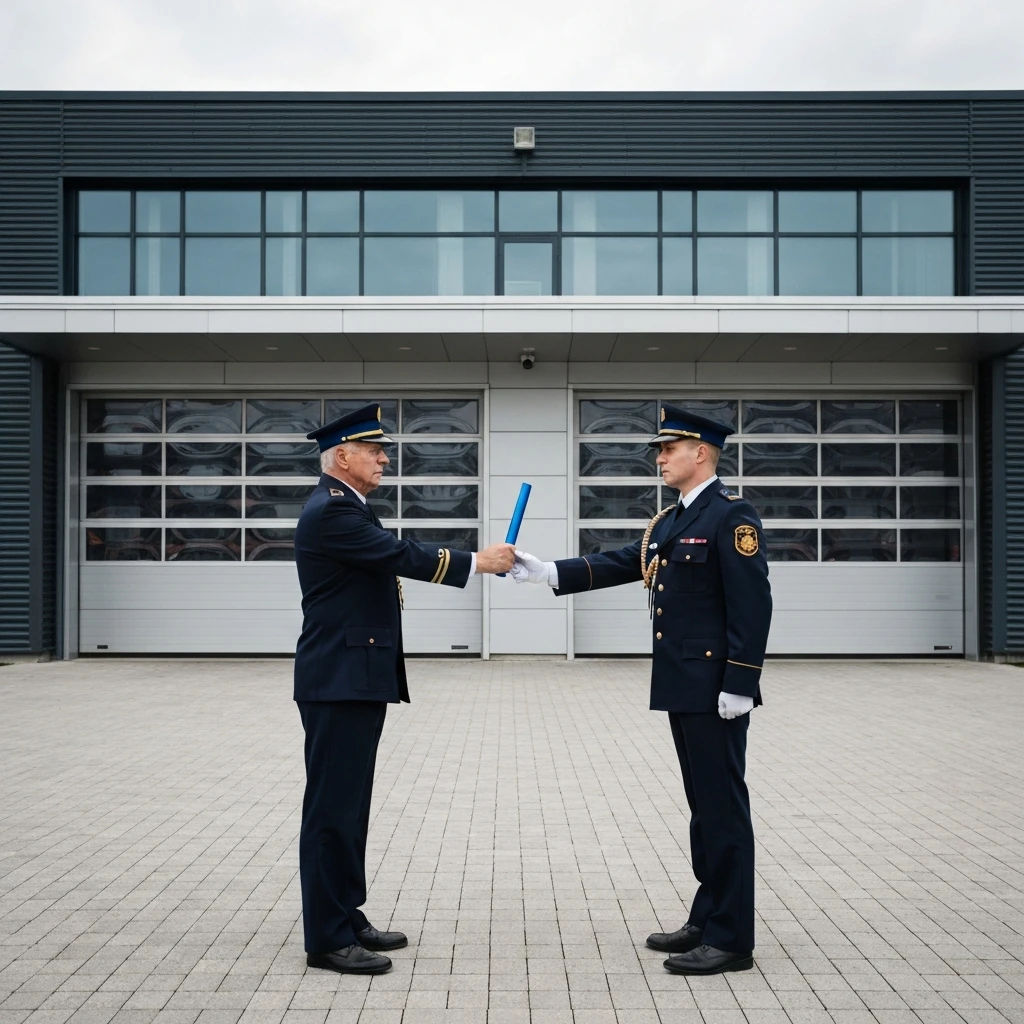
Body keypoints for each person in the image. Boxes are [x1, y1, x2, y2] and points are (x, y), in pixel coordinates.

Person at [512, 404, 772, 976]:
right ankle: (708, 916)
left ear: (700, 452)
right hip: (684, 685)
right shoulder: (674, 519)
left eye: (667, 449)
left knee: (724, 808)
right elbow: (628, 561)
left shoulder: (732, 516)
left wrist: (741, 683)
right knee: (704, 809)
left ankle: (732, 939)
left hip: (714, 689)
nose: (659, 458)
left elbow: (753, 606)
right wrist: (548, 571)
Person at [294, 403, 515, 975]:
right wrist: (476, 561)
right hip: (338, 680)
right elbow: (400, 555)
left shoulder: (350, 507)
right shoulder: (333, 512)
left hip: (355, 678)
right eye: (374, 450)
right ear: (342, 456)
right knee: (331, 809)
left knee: (352, 806)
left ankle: (347, 913)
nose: (384, 458)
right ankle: (327, 938)